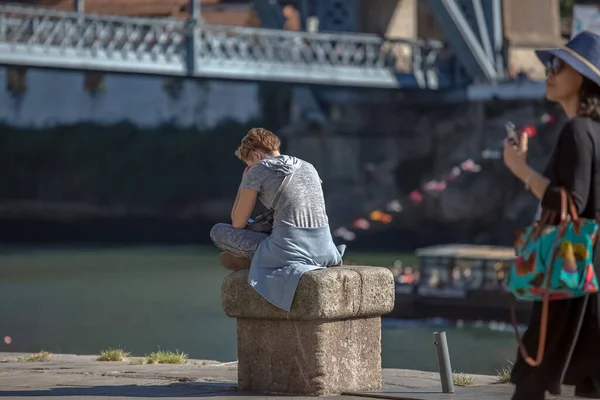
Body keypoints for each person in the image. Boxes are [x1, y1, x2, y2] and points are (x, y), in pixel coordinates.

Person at [503, 31, 600, 400]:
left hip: (569, 275)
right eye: (550, 65)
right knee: (591, 383)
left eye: (560, 66)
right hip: (592, 276)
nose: (549, 71)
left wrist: (521, 170)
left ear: (585, 77)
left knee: (533, 378)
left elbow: (568, 202)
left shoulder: (577, 131)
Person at [210, 128, 345, 311]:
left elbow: (237, 223)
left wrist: (245, 181)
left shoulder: (258, 171)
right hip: (325, 250)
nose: (249, 169)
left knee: (218, 231)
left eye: (248, 164)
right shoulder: (308, 166)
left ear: (256, 156)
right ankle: (257, 257)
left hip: (289, 252)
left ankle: (256, 260)